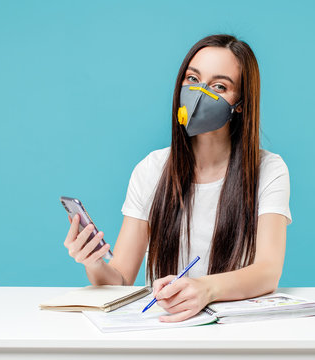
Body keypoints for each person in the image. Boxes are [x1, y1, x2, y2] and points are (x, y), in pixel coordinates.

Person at [64, 34, 292, 322]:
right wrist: (94, 261)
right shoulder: (151, 169)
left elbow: (267, 271)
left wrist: (205, 289)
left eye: (219, 86)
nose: (199, 93)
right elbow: (119, 281)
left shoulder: (268, 170)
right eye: (192, 79)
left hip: (235, 330)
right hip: (164, 327)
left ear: (241, 104)